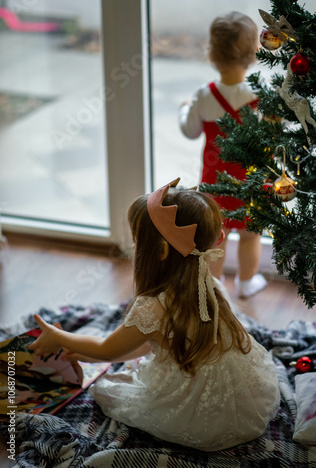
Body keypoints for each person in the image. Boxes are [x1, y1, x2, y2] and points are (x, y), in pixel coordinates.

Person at [29, 178, 280, 452]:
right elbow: (154, 343)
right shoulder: (209, 285)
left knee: (105, 391)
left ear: (160, 251)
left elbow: (107, 349)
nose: (135, 249)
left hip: (201, 417)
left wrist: (59, 336)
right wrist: (88, 353)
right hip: (246, 402)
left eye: (138, 242)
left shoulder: (153, 307)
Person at [178, 11, 267, 297]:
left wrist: (184, 108)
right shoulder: (259, 95)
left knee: (217, 237)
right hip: (252, 181)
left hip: (215, 182)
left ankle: (215, 289)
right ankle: (246, 283)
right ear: (254, 55)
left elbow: (190, 131)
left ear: (212, 55)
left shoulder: (204, 95)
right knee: (251, 235)